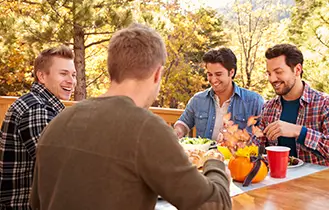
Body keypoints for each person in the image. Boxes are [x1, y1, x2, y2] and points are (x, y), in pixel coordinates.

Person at [29, 24, 232, 210]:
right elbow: (214, 206)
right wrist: (215, 162)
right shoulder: (147, 128)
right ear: (157, 74)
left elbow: (36, 203)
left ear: (112, 70)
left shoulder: (57, 123)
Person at [0, 45, 77, 209]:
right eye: (63, 73)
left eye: (73, 74)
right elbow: (60, 165)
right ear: (42, 76)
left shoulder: (38, 103)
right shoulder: (37, 109)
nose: (71, 81)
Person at [253, 43, 329, 166]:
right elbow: (258, 148)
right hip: (275, 181)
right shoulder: (268, 108)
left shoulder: (324, 104)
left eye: (278, 72)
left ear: (297, 70)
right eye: (269, 73)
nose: (272, 79)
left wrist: (299, 131)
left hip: (316, 183)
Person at [174, 48, 264, 139]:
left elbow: (265, 137)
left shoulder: (254, 101)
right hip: (205, 153)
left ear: (231, 72)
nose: (213, 80)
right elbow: (183, 123)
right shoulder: (198, 100)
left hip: (239, 153)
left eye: (218, 74)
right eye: (210, 74)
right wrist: (177, 131)